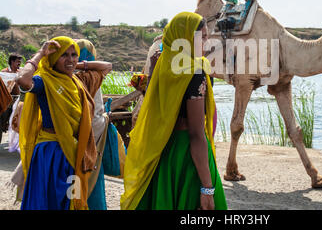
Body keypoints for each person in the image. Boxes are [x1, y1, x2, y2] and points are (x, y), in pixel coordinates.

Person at [121, 12, 227, 210]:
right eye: (202, 37)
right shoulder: (195, 73)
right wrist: (207, 188)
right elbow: (196, 134)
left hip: (164, 152)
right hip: (188, 156)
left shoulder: (164, 67)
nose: (207, 42)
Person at [17, 36, 97, 210]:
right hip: (51, 153)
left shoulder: (77, 82)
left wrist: (81, 65)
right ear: (53, 58)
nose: (70, 59)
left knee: (71, 199)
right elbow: (22, 80)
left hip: (74, 152)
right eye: (64, 55)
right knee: (50, 200)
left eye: (74, 54)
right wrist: (40, 54)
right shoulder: (45, 81)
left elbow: (106, 68)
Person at [74, 39, 126, 210]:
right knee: (91, 190)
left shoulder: (62, 76)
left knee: (70, 191)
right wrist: (106, 117)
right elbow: (94, 119)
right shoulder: (93, 77)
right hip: (90, 145)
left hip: (66, 141)